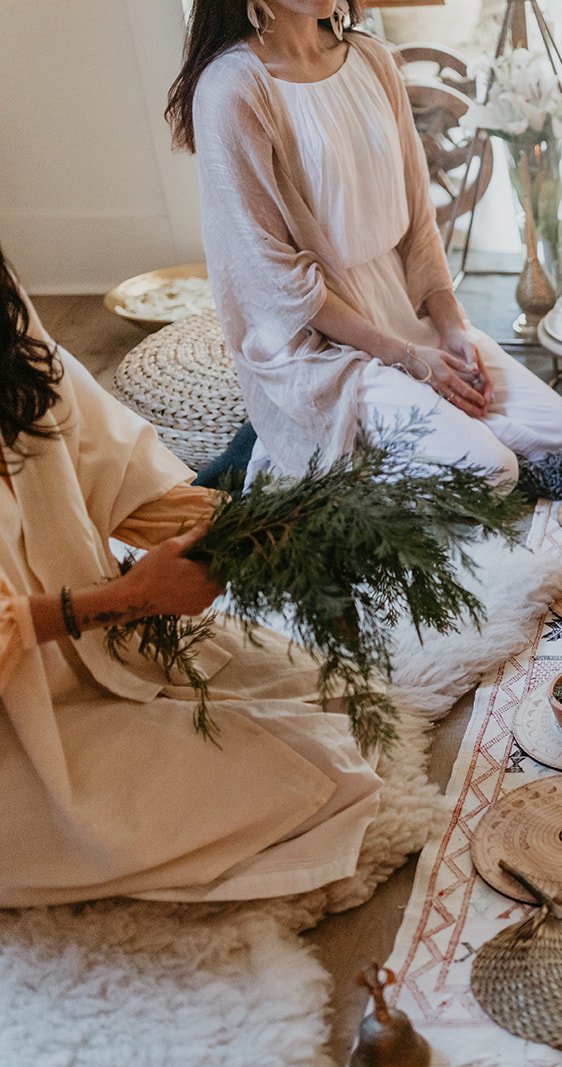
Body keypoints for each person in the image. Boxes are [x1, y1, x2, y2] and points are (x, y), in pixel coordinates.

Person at [0, 248, 381, 907]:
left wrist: (259, 527)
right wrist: (129, 598)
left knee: (347, 699)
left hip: (100, 643)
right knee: (324, 777)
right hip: (20, 724)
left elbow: (102, 459)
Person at [166, 0, 562, 486]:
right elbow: (276, 282)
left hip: (404, 309)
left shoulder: (374, 61)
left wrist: (452, 329)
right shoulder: (232, 89)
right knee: (491, 469)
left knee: (561, 433)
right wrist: (406, 358)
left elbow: (418, 222)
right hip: (322, 345)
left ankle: (444, 439)